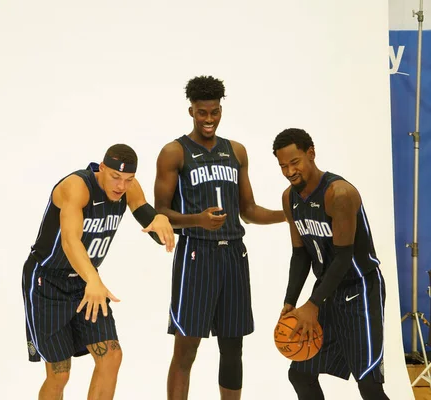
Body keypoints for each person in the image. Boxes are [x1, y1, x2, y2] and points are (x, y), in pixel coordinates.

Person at [154, 75, 285, 400]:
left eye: (214, 112)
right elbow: (160, 213)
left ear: (220, 109)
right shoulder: (174, 152)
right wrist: (196, 220)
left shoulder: (236, 151)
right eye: (202, 113)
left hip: (234, 256)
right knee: (186, 348)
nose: (209, 119)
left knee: (232, 346)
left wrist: (288, 214)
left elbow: (249, 210)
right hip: (196, 255)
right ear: (191, 111)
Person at [22, 144, 175, 400]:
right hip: (46, 280)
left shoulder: (128, 189)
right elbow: (70, 242)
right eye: (115, 177)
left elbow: (144, 213)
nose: (121, 186)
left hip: (85, 281)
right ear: (101, 168)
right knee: (59, 373)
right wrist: (93, 278)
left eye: (128, 180)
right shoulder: (76, 187)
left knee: (111, 356)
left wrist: (158, 219)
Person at [272, 128, 389, 400]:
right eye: (283, 166)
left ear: (311, 153)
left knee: (369, 385)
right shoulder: (289, 198)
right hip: (327, 292)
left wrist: (311, 305)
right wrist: (290, 302)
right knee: (300, 373)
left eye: (295, 162)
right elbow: (300, 254)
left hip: (360, 290)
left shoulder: (339, 193)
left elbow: (344, 256)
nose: (289, 171)